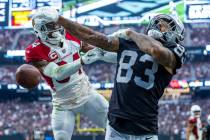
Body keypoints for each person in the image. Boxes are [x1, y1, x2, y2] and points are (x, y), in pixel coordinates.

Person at [39, 7, 186, 140]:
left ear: (176, 34)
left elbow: (156, 51)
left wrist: (130, 33)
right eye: (158, 22)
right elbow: (91, 36)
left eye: (166, 24)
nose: (159, 25)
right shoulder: (131, 43)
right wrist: (60, 19)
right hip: (116, 127)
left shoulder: (175, 50)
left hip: (145, 129)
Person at [25, 8, 117, 140]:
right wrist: (83, 60)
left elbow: (100, 54)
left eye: (56, 23)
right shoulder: (34, 51)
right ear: (40, 29)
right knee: (62, 138)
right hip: (63, 105)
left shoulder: (70, 35)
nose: (56, 27)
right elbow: (57, 73)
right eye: (51, 25)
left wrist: (123, 57)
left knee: (115, 128)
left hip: (87, 94)